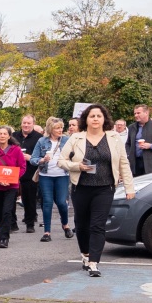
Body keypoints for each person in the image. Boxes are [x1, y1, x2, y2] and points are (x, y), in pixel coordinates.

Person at [58, 104, 135, 277]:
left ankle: (94, 262)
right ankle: (85, 254)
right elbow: (61, 161)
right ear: (86, 119)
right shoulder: (77, 138)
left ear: (104, 119)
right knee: (82, 224)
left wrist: (130, 188)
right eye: (92, 116)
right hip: (81, 187)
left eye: (98, 116)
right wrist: (77, 166)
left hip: (105, 188)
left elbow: (124, 163)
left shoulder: (114, 138)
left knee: (98, 225)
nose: (95, 119)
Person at [30, 117, 72, 242]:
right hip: (46, 176)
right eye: (57, 128)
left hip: (62, 175)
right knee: (47, 203)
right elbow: (33, 159)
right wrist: (42, 160)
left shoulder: (66, 140)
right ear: (50, 129)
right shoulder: (42, 141)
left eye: (61, 127)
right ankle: (47, 232)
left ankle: (65, 225)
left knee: (61, 202)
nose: (60, 130)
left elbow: (74, 154)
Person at [0, 126, 26, 248]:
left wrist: (13, 178)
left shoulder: (16, 150)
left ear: (9, 136)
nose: (2, 136)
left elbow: (22, 167)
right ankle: (3, 230)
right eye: (0, 134)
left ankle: (4, 238)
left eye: (4, 134)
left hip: (11, 186)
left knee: (7, 211)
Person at [16, 115, 43, 234]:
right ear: (21, 123)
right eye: (24, 123)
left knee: (29, 200)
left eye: (29, 123)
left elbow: (43, 156)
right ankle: (12, 223)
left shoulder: (39, 138)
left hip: (30, 172)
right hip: (14, 172)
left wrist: (31, 157)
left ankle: (30, 223)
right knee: (11, 199)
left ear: (33, 124)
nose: (26, 125)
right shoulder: (14, 136)